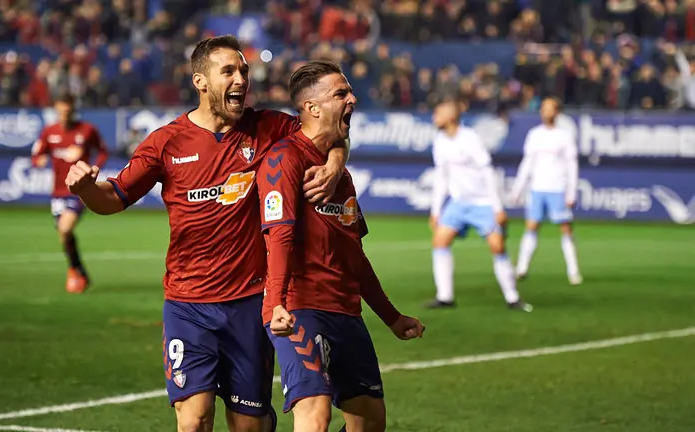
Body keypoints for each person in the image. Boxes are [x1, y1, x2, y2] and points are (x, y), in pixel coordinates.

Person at [65, 35, 348, 432]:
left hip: (250, 303)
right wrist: (85, 190)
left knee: (248, 425)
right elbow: (114, 197)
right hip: (188, 305)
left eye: (244, 71)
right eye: (228, 71)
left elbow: (328, 131)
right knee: (193, 420)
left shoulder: (268, 127)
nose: (241, 79)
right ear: (200, 81)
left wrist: (334, 165)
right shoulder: (167, 142)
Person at [258, 60, 424, 432]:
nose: (353, 98)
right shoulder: (283, 158)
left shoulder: (340, 176)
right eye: (341, 93)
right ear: (312, 108)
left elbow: (354, 255)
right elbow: (278, 235)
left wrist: (391, 316)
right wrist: (276, 303)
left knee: (369, 422)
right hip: (300, 308)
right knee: (315, 414)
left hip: (346, 313)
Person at [427, 100, 532, 312]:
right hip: (458, 203)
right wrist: (436, 210)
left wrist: (497, 207)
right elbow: (442, 177)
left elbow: (488, 172)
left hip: (483, 203)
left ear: (450, 116)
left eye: (438, 113)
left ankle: (512, 298)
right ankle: (445, 297)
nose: (434, 117)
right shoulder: (440, 141)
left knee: (497, 246)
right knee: (440, 242)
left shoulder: (470, 139)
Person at [31, 93, 109, 293]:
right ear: (56, 110)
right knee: (64, 236)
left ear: (73, 110)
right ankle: (78, 271)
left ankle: (75, 271)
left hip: (79, 190)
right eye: (61, 111)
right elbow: (37, 153)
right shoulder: (49, 132)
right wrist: (38, 161)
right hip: (57, 192)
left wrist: (92, 168)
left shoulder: (87, 130)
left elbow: (103, 151)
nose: (64, 115)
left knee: (65, 229)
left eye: (68, 110)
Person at [510, 97, 582, 285]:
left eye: (550, 109)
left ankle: (573, 271)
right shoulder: (534, 135)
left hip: (557, 188)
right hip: (537, 188)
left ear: (557, 112)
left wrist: (571, 192)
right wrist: (518, 188)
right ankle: (522, 268)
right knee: (532, 226)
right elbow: (527, 163)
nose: (546, 112)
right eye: (544, 108)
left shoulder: (564, 136)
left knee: (565, 228)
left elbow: (571, 165)